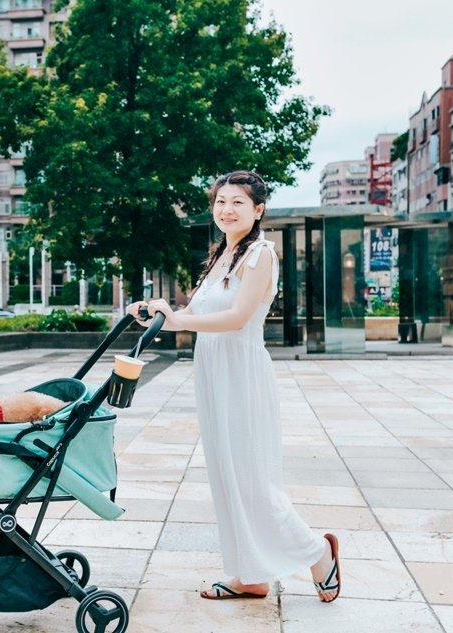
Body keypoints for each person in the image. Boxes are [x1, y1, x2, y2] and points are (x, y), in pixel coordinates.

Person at [127, 170, 341, 603]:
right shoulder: (221, 256)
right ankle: (249, 575)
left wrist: (179, 319)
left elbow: (238, 317)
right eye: (221, 201)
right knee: (226, 477)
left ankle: (319, 552)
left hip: (241, 372)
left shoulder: (260, 255)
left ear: (258, 210)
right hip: (213, 371)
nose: (227, 209)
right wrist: (157, 311)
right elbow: (198, 310)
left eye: (238, 202)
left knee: (252, 479)